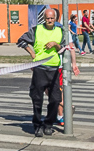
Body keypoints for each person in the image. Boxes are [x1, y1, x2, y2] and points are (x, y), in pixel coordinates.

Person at [17, 7, 64, 137]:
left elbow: (64, 47)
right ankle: (37, 125)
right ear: (44, 19)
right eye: (47, 18)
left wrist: (56, 44)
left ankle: (48, 124)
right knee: (37, 99)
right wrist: (32, 53)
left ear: (55, 19)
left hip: (54, 69)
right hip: (40, 69)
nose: (49, 20)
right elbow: (21, 41)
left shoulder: (60, 31)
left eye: (52, 18)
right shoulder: (37, 30)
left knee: (55, 99)